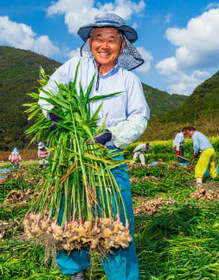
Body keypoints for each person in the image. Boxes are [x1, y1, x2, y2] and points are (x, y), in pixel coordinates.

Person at [39, 13, 149, 280]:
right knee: (70, 213)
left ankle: (121, 276)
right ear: (90, 42)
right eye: (99, 38)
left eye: (112, 39)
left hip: (108, 155)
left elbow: (139, 118)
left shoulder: (128, 81)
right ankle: (75, 271)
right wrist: (54, 115)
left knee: (116, 221)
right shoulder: (74, 67)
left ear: (122, 46)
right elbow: (48, 93)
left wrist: (112, 135)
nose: (105, 45)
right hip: (72, 152)